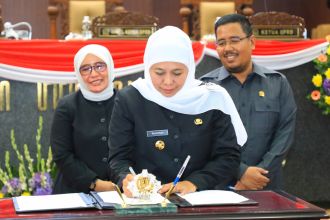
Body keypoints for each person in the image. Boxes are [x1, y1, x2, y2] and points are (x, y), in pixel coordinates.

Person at [108, 26, 247, 197]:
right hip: (146, 200)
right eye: (159, 73)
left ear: (189, 69)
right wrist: (125, 179)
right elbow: (119, 157)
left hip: (199, 199)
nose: (168, 81)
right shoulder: (130, 99)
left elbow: (228, 156)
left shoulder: (211, 98)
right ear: (147, 67)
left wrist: (195, 182)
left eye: (177, 73)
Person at [200, 14, 297, 190]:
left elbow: (285, 134)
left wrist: (260, 174)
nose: (227, 48)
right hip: (220, 187)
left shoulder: (277, 83)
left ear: (251, 42)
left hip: (267, 185)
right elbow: (202, 138)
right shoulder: (205, 87)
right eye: (221, 43)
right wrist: (241, 173)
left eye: (234, 40)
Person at [51, 44, 116, 194]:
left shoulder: (125, 103)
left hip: (121, 192)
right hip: (74, 192)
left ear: (110, 67)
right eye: (85, 69)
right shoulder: (67, 106)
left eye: (100, 66)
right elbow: (62, 155)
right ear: (78, 74)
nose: (93, 74)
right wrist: (94, 183)